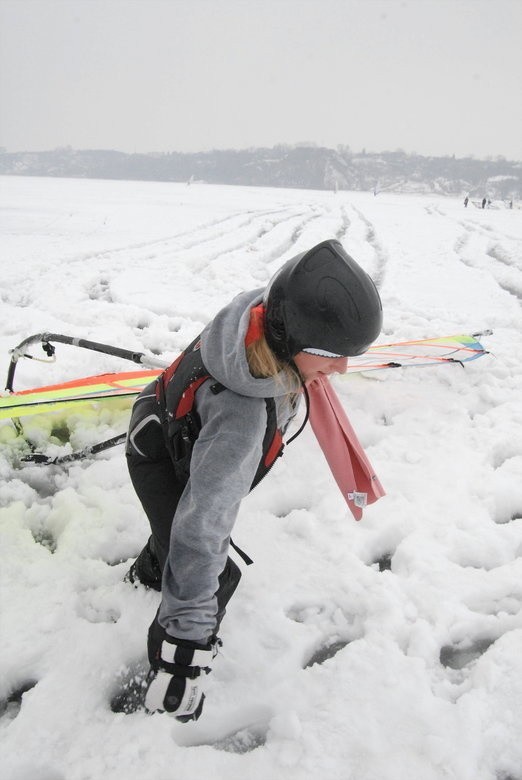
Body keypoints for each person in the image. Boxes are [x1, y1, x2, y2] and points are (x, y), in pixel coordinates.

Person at [124, 238, 383, 721]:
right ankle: (162, 683)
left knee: (175, 536)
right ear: (294, 341)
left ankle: (147, 575)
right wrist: (185, 651)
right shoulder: (241, 420)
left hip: (160, 428)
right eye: (332, 354)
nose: (343, 369)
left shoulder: (258, 318)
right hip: (161, 460)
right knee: (208, 566)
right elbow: (202, 531)